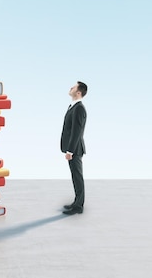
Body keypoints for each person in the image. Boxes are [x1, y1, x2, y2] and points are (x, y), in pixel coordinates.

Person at [61, 81, 88, 215]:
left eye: (73, 87)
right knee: (75, 176)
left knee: (77, 177)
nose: (70, 88)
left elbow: (76, 132)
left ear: (78, 92)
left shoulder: (79, 108)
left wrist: (70, 151)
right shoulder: (73, 106)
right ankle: (77, 202)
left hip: (75, 150)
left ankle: (78, 206)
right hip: (71, 149)